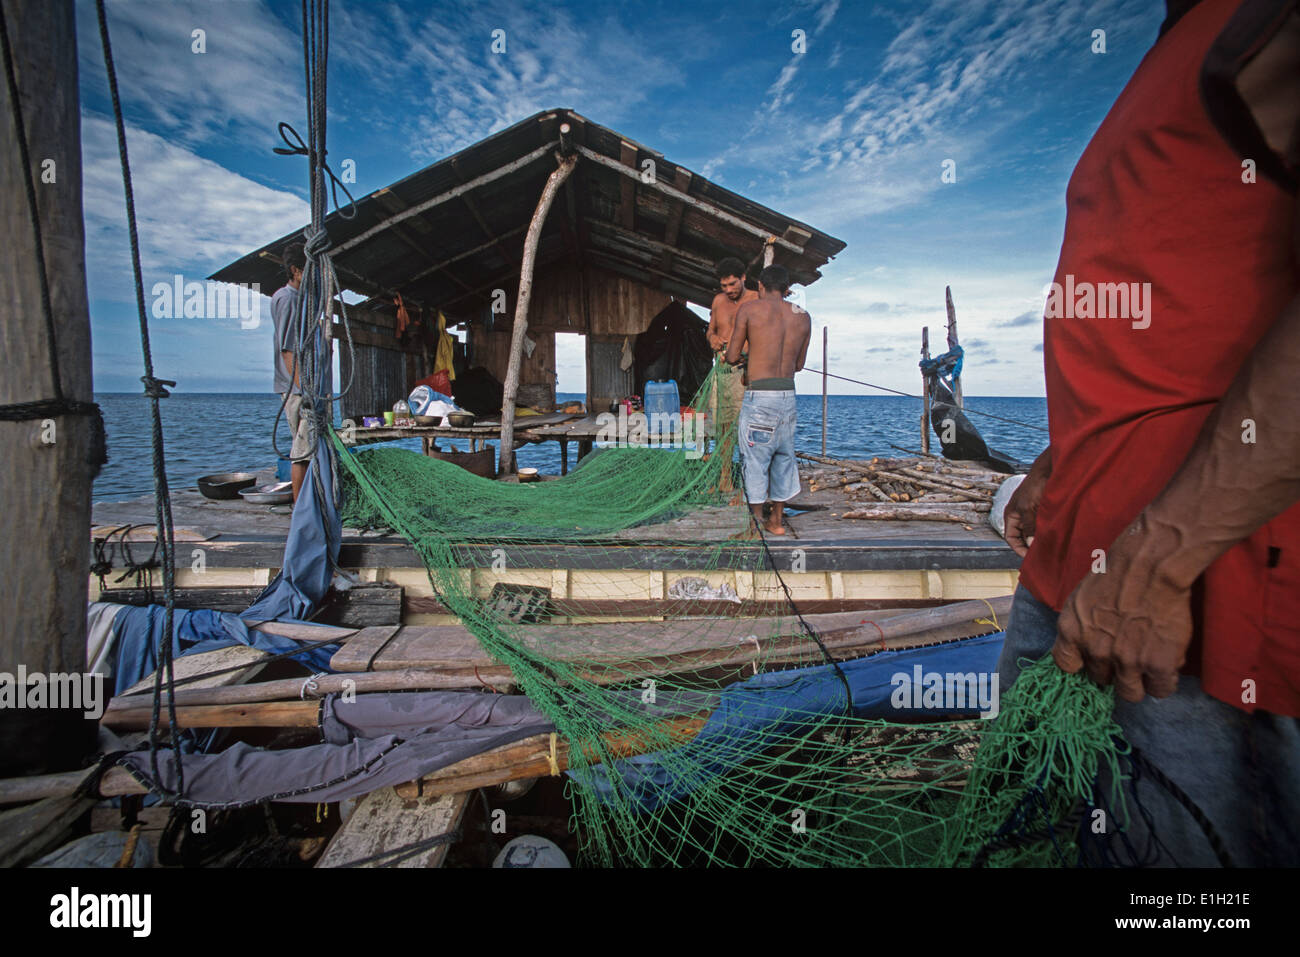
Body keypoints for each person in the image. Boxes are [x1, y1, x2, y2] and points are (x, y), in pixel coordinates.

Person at [999, 0, 1300, 865]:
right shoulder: (1180, 40)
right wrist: (1066, 453)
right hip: (1082, 564)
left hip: (1195, 605)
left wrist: (1163, 553)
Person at [725, 264, 811, 535]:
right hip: (788, 395)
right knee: (784, 458)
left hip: (760, 397)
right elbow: (798, 364)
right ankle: (776, 522)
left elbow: (730, 355)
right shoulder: (803, 316)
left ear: (760, 286)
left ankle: (753, 527)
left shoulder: (749, 310)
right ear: (787, 289)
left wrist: (748, 358)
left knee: (755, 460)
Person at [706, 257, 758, 495]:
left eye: (732, 284)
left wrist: (743, 353)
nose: (728, 290)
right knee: (723, 429)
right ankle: (725, 480)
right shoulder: (718, 301)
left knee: (748, 431)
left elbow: (765, 337)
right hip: (722, 373)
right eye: (724, 286)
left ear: (744, 277)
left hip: (746, 374)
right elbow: (710, 332)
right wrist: (714, 340)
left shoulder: (757, 299)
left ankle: (751, 486)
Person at [271, 242, 312, 503]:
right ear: (296, 271)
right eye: (310, 270)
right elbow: (288, 351)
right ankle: (301, 510)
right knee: (303, 451)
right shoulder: (286, 299)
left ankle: (309, 502)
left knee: (310, 448)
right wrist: (303, 390)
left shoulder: (305, 299)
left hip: (308, 387)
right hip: (297, 390)